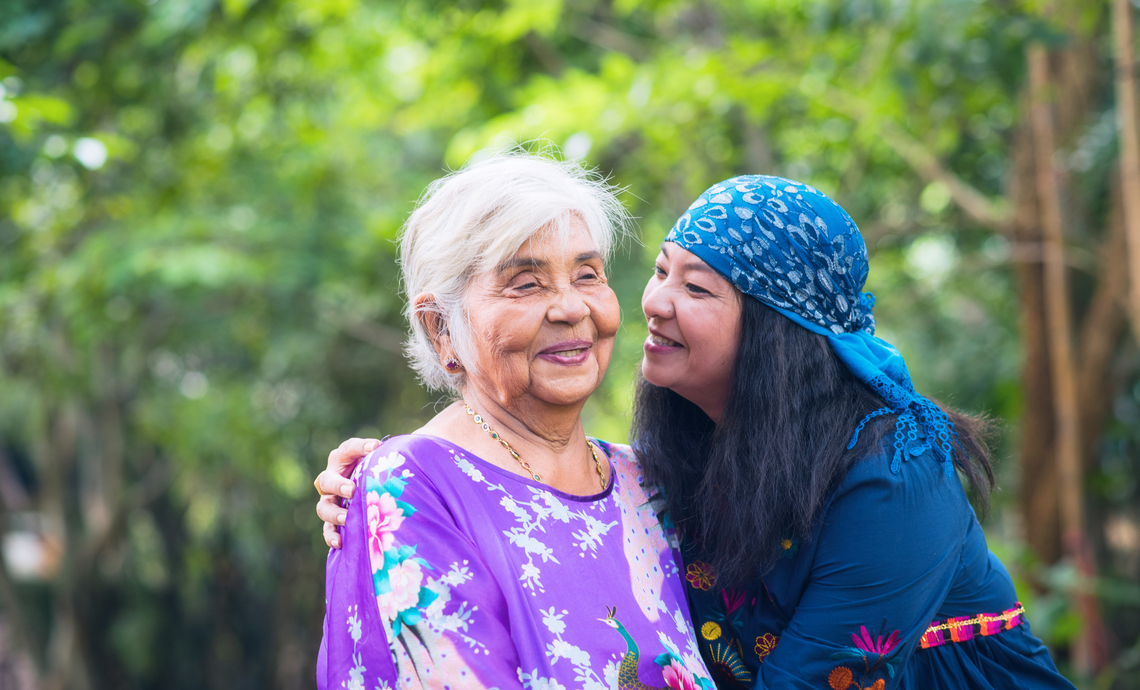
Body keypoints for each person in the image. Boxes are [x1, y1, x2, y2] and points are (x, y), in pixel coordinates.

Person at [318, 174, 1076, 690]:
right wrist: (396, 476)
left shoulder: (891, 469)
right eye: (658, 271)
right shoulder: (665, 469)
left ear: (779, 333)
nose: (651, 303)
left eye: (697, 287)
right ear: (438, 326)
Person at [315, 152, 714, 690]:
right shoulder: (416, 482)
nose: (571, 307)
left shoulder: (646, 480)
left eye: (588, 274)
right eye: (526, 284)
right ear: (440, 329)